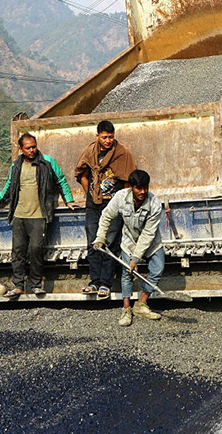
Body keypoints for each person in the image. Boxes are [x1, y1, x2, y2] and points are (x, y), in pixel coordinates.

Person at [0, 133, 76, 298]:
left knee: (35, 250)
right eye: (28, 148)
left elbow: (60, 180)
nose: (32, 150)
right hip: (19, 215)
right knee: (17, 251)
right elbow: (9, 187)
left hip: (39, 215)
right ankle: (18, 286)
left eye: (34, 146)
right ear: (21, 149)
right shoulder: (16, 165)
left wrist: (68, 200)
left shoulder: (47, 162)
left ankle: (35, 285)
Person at [94, 169, 164, 327]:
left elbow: (148, 234)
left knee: (158, 269)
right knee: (127, 273)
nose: (143, 191)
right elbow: (106, 216)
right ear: (131, 187)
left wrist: (135, 258)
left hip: (150, 242)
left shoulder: (154, 204)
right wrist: (100, 237)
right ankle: (126, 308)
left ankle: (141, 304)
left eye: (145, 188)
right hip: (129, 240)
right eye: (139, 188)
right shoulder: (120, 197)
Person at [75, 120, 136, 298]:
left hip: (113, 205)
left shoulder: (122, 153)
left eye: (110, 137)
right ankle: (94, 281)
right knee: (93, 242)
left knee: (110, 242)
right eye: (104, 137)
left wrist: (123, 202)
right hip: (94, 205)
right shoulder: (90, 152)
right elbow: (82, 175)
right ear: (97, 136)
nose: (108, 141)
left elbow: (127, 181)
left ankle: (105, 283)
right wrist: (91, 195)